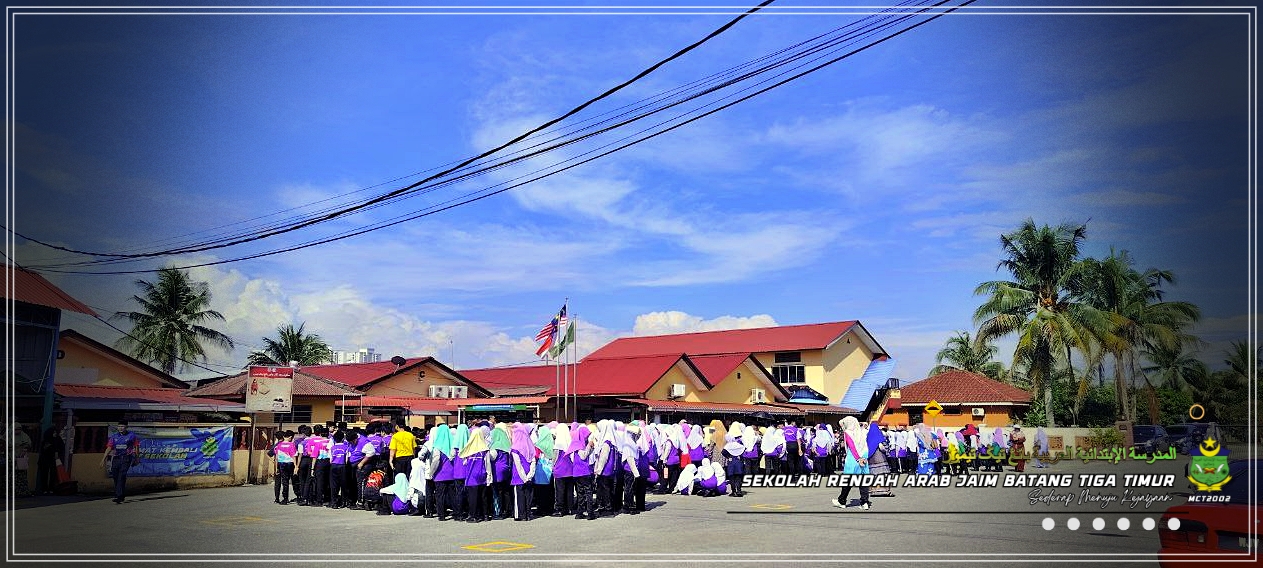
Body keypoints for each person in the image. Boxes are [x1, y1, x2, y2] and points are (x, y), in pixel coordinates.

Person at [832, 416, 871, 509]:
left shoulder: (848, 432)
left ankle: (842, 501)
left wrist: (857, 458)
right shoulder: (862, 431)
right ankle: (864, 502)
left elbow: (852, 445)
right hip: (864, 455)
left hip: (853, 457)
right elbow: (866, 444)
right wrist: (863, 457)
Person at [100, 420, 138, 504]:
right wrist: (103, 459)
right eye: (119, 426)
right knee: (116, 476)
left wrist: (136, 458)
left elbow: (136, 446)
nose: (120, 428)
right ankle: (121, 494)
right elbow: (109, 447)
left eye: (122, 426)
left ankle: (118, 496)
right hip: (116, 458)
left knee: (122, 476)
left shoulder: (131, 436)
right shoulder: (114, 437)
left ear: (126, 427)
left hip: (126, 458)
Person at [460, 425, 491, 523]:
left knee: (473, 497)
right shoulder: (484, 449)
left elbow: (464, 462)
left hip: (471, 476)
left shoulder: (469, 449)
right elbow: (487, 463)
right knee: (483, 496)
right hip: (482, 475)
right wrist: (489, 476)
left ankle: (473, 515)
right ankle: (485, 515)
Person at [509, 423, 536, 521]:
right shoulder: (530, 446)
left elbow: (517, 464)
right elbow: (533, 461)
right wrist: (529, 475)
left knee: (519, 496)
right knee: (528, 495)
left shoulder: (515, 448)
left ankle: (520, 515)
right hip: (529, 475)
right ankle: (528, 514)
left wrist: (524, 477)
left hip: (518, 477)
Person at [487, 425, 513, 520]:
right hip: (506, 471)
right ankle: (508, 510)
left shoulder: (495, 446)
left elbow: (491, 457)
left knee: (497, 493)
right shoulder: (507, 445)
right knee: (506, 492)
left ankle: (498, 512)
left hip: (497, 472)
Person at [37, 427, 65, 495]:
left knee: (53, 474)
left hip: (53, 459)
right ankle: (44, 488)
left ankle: (51, 488)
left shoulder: (58, 439)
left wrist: (56, 452)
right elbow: (43, 451)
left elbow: (61, 448)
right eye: (54, 432)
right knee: (44, 474)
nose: (55, 434)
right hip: (45, 459)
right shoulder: (46, 441)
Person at [272, 430, 297, 504]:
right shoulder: (292, 445)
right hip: (290, 464)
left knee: (285, 482)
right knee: (293, 480)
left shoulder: (278, 445)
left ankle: (285, 498)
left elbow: (276, 458)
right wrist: (296, 466)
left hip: (281, 464)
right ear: (290, 437)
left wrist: (276, 468)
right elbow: (293, 456)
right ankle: (298, 496)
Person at [328, 431, 350, 508]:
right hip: (342, 466)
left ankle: (334, 502)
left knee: (333, 485)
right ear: (343, 438)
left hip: (333, 466)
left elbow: (330, 460)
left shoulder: (332, 448)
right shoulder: (346, 447)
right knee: (343, 484)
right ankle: (344, 502)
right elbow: (347, 459)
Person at [722, 431, 746, 497]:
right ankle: (739, 491)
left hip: (731, 462)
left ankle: (734, 491)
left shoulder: (728, 446)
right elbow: (744, 449)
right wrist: (739, 455)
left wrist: (728, 456)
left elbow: (723, 452)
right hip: (738, 462)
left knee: (732, 478)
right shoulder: (738, 445)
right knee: (738, 477)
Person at [12, 423, 33, 497]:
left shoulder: (24, 436)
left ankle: (21, 491)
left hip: (21, 458)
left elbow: (28, 444)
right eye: (15, 429)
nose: (17, 431)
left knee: (21, 475)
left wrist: (24, 449)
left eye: (19, 429)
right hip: (11, 458)